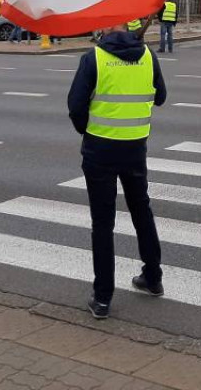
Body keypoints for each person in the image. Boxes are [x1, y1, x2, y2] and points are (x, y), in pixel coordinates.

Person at [67, 23, 167, 320]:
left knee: (102, 223)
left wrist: (88, 130)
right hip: (135, 147)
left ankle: (102, 298)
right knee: (141, 211)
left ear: (105, 29)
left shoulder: (94, 58)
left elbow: (75, 106)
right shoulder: (148, 55)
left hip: (100, 149)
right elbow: (160, 97)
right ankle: (153, 277)